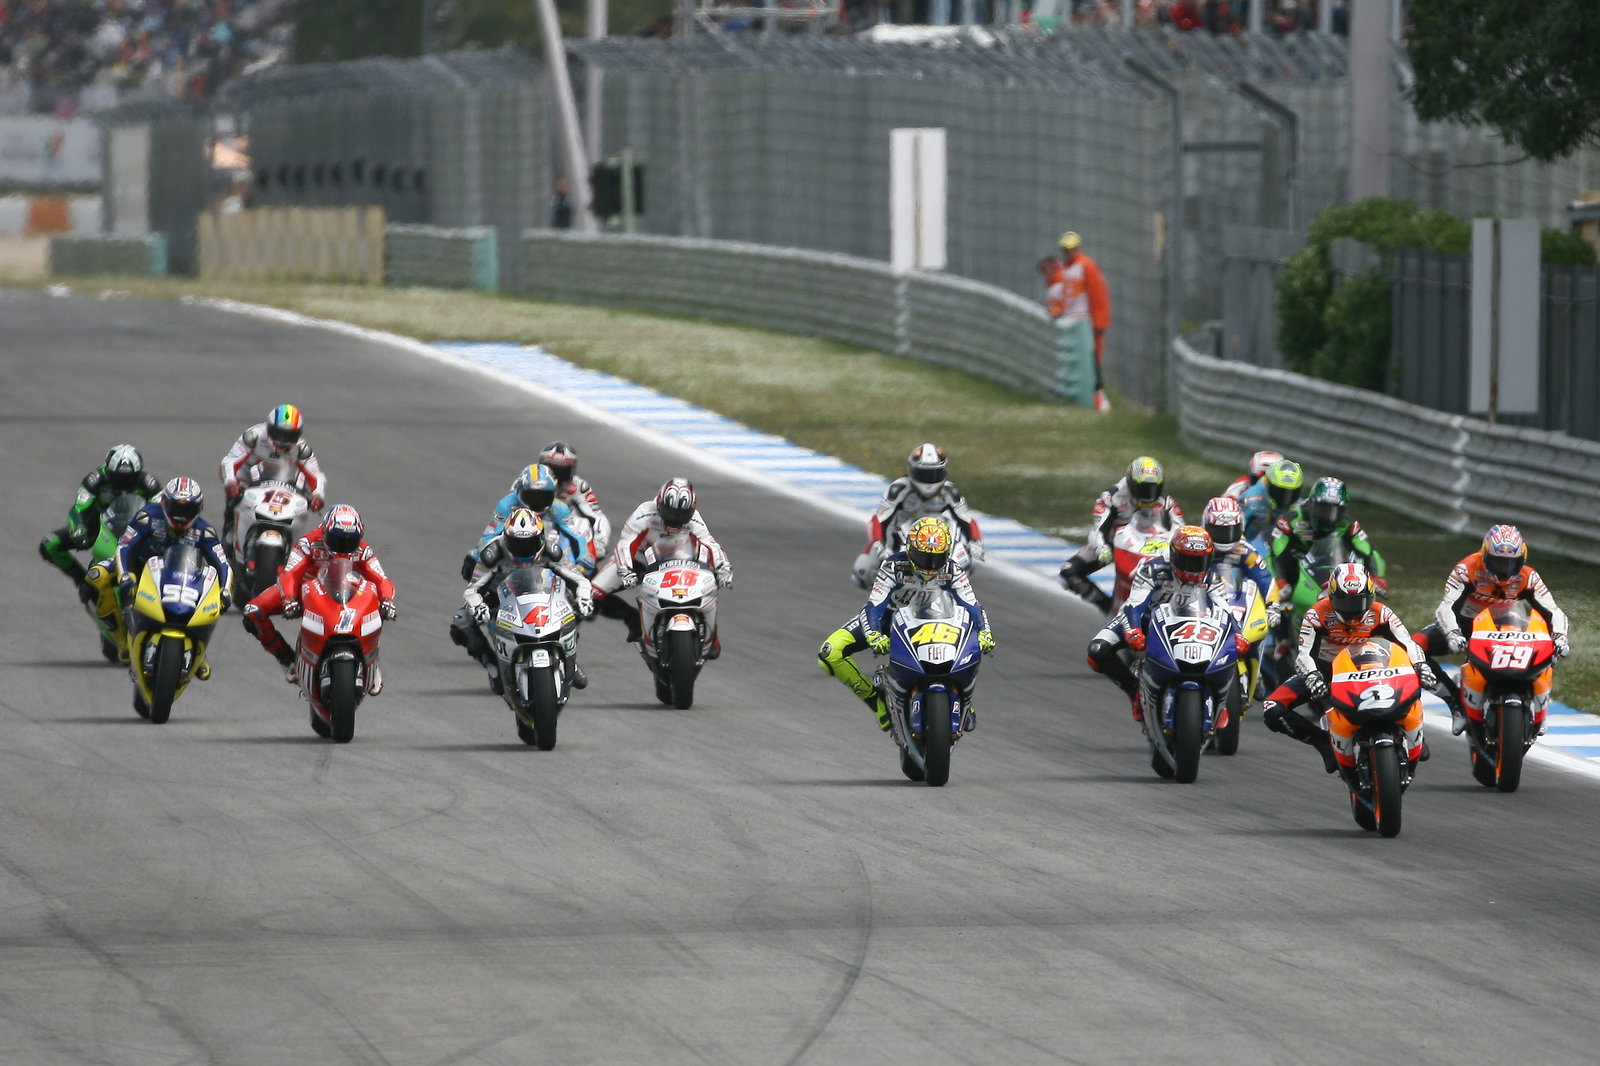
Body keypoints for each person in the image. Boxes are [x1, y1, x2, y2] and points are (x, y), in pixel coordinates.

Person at [820, 516, 996, 731]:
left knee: (972, 645)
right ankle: (877, 703)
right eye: (923, 556)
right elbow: (873, 606)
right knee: (830, 653)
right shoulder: (893, 566)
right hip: (889, 620)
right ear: (911, 548)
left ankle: (963, 701)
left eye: (936, 557)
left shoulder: (953, 570)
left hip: (936, 623)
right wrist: (874, 633)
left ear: (947, 552)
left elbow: (972, 606)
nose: (929, 565)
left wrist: (984, 632)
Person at [1259, 561, 1435, 774]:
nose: (1353, 612)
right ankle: (1323, 743)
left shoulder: (1382, 613)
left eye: (1359, 602)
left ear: (1371, 597)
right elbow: (1304, 653)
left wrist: (1421, 665)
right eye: (1345, 602)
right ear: (1331, 596)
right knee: (1272, 709)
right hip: (1327, 671)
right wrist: (1313, 676)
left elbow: (1408, 644)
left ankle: (1414, 731)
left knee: (1414, 678)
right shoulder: (1316, 614)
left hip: (1372, 666)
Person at [1412, 525, 1572, 736]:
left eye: (1511, 563)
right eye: (1498, 561)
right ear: (1485, 555)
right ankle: (1455, 702)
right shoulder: (1467, 568)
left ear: (1522, 559)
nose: (1504, 569)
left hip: (1512, 625)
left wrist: (1560, 637)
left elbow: (1553, 610)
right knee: (1413, 648)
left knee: (1550, 650)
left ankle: (1539, 708)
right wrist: (1453, 633)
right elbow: (1446, 606)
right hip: (1466, 626)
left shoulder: (1529, 576)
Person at [1086, 525, 1243, 720]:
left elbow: (1225, 608)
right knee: (1097, 650)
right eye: (1188, 560)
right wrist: (1133, 630)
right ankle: (1134, 691)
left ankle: (1219, 701)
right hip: (1143, 620)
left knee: (1230, 650)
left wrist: (1238, 634)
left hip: (1191, 624)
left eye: (1200, 561)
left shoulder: (1212, 577)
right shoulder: (1152, 569)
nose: (1195, 568)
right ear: (1174, 555)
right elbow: (1133, 605)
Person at [241, 504, 398, 691]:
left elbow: (381, 579)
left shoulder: (363, 550)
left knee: (377, 604)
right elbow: (289, 574)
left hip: (347, 593)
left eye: (350, 540)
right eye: (337, 539)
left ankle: (371, 659)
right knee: (253, 612)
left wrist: (388, 600)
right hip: (303, 592)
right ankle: (287, 660)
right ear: (325, 531)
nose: (343, 545)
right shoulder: (309, 543)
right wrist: (289, 598)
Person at [101, 477, 233, 670]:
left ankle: (199, 652)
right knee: (97, 577)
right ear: (163, 502)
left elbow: (223, 565)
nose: (180, 515)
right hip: (138, 567)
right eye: (176, 508)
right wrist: (126, 575)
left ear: (198, 509)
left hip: (181, 577)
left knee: (213, 604)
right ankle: (120, 640)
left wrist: (225, 591)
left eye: (187, 510)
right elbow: (124, 548)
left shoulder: (205, 532)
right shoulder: (146, 516)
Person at [462, 507, 595, 693]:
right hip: (500, 595)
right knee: (462, 623)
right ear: (506, 538)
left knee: (573, 609)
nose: (523, 549)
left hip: (541, 591)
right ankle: (494, 669)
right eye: (517, 543)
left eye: (529, 542)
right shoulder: (492, 554)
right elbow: (473, 590)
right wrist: (478, 605)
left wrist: (584, 597)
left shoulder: (552, 550)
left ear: (540, 537)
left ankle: (569, 658)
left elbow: (578, 579)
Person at [592, 477, 733, 647]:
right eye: (670, 512)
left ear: (691, 510)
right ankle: (632, 617)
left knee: (708, 588)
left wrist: (723, 567)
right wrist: (625, 570)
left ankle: (712, 635)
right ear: (659, 503)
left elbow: (710, 543)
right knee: (593, 594)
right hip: (637, 561)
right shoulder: (644, 512)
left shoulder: (695, 519)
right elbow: (625, 544)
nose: (675, 518)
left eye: (682, 514)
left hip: (679, 561)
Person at [1059, 455, 1185, 613]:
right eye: (1144, 488)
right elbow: (1097, 529)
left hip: (1151, 549)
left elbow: (1181, 529)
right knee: (1069, 571)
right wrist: (1101, 548)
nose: (1148, 494)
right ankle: (1106, 606)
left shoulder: (1166, 502)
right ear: (1131, 483)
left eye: (1153, 488)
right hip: (1113, 547)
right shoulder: (1112, 497)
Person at [851, 442, 984, 587]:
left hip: (935, 539)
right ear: (913, 471)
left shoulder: (950, 491)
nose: (929, 480)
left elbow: (967, 520)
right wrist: (878, 543)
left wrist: (975, 542)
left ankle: (956, 587)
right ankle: (886, 595)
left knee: (966, 558)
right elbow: (879, 519)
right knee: (862, 573)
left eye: (934, 474)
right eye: (924, 474)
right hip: (901, 534)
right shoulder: (898, 489)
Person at [39, 443, 161, 600]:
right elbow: (79, 509)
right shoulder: (94, 480)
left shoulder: (149, 483)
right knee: (50, 544)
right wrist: (79, 528)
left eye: (130, 479)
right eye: (119, 478)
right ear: (108, 471)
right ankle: (81, 580)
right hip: (98, 525)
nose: (124, 485)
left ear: (139, 473)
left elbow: (160, 511)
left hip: (137, 527)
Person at [460, 463, 596, 579]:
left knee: (579, 526)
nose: (536, 502)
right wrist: (477, 554)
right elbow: (489, 535)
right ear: (520, 490)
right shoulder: (506, 505)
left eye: (543, 497)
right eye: (531, 495)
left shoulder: (560, 507)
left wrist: (584, 557)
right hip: (514, 552)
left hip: (546, 550)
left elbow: (576, 535)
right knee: (472, 564)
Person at [218, 404, 326, 544]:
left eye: (289, 436)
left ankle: (293, 546)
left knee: (302, 502)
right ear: (269, 428)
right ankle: (229, 537)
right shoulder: (253, 436)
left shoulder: (302, 448)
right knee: (233, 498)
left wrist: (318, 494)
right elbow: (230, 461)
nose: (283, 441)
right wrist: (230, 481)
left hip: (283, 479)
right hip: (250, 475)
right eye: (279, 434)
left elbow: (316, 475)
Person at [1269, 476, 1387, 601]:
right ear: (1312, 504)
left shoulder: (1348, 523)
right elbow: (1275, 553)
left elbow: (1368, 551)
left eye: (1336, 511)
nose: (1329, 517)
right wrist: (1280, 580)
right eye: (1323, 510)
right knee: (1278, 599)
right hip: (1292, 565)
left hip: (1325, 564)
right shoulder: (1291, 519)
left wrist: (1376, 577)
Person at [1041, 230, 1112, 411]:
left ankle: (1099, 398)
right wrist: (1056, 310)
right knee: (1078, 363)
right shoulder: (1065, 271)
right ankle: (1087, 399)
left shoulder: (1086, 266)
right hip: (1072, 322)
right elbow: (1064, 298)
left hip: (1087, 321)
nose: (1068, 252)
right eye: (1065, 249)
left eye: (1071, 248)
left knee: (1092, 361)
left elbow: (1098, 295)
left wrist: (1099, 323)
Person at [537, 440, 612, 560]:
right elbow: (509, 508)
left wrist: (600, 542)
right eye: (551, 470)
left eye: (562, 472)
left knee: (583, 523)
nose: (556, 476)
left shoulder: (578, 487)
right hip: (535, 529)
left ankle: (583, 563)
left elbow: (597, 516)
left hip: (567, 532)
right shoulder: (527, 481)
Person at [1238, 457, 1303, 544]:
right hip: (1249, 546)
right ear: (1269, 485)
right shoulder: (1251, 500)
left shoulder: (1300, 506)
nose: (1285, 499)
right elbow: (1234, 529)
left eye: (1292, 493)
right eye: (1280, 492)